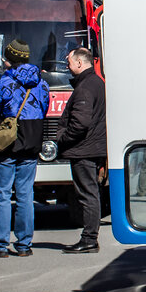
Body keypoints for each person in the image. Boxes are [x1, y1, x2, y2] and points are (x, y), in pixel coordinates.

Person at [0, 39, 49, 257]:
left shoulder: (3, 82)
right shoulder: (41, 83)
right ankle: (24, 245)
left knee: (2, 194)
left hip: (7, 143)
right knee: (26, 194)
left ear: (10, 60)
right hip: (31, 141)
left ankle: (0, 245)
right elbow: (43, 108)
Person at [56, 47, 107, 253]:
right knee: (90, 193)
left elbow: (80, 123)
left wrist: (62, 138)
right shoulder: (95, 83)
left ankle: (89, 239)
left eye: (69, 62)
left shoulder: (85, 87)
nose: (67, 67)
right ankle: (89, 238)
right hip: (90, 147)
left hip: (83, 149)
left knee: (87, 195)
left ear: (79, 63)